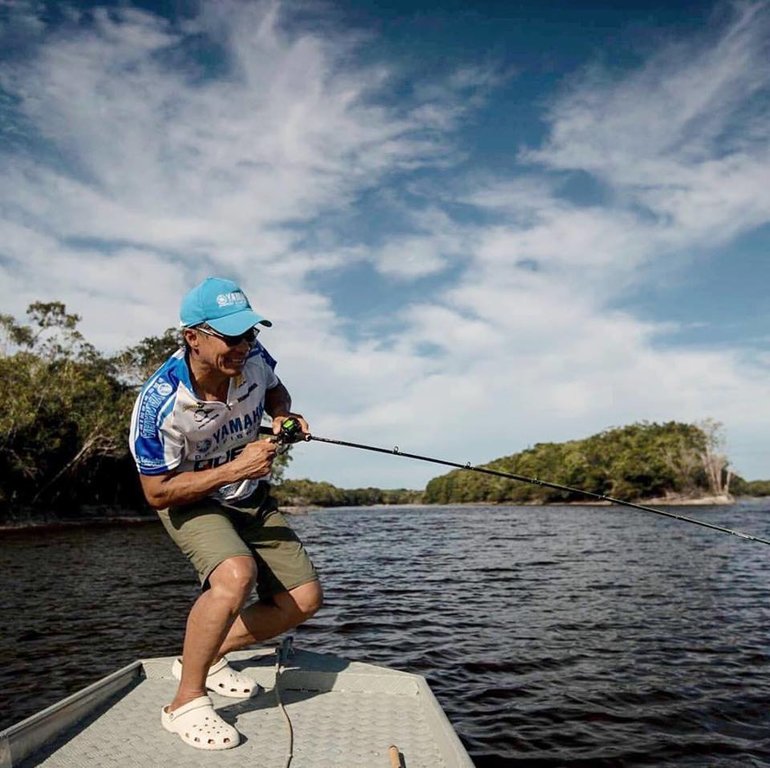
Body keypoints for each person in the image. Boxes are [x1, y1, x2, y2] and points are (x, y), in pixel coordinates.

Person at [129, 276, 323, 751]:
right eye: (231, 336)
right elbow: (157, 493)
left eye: (250, 333)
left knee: (303, 599)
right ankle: (185, 703)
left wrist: (282, 417)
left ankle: (207, 656)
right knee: (236, 575)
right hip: (189, 499)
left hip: (248, 493)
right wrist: (234, 467)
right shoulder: (160, 405)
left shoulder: (255, 360)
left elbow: (278, 391)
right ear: (192, 337)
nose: (244, 346)